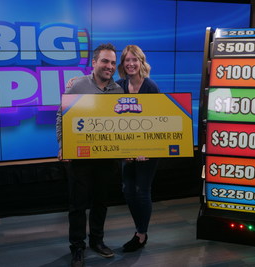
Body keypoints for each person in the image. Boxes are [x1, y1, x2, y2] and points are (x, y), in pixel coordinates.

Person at [56, 43, 124, 267]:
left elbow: (122, 125)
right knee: (78, 204)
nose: (110, 66)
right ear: (94, 62)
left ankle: (97, 240)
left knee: (101, 202)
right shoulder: (77, 85)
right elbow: (61, 117)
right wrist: (63, 144)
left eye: (113, 63)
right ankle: (77, 247)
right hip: (80, 156)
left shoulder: (118, 91)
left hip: (107, 157)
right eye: (105, 61)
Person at [116, 45, 160, 252]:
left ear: (141, 62)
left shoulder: (150, 87)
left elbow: (159, 120)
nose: (131, 64)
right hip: (125, 151)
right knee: (128, 191)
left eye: (135, 60)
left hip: (147, 150)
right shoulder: (118, 86)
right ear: (123, 64)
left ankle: (141, 234)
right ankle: (138, 230)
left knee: (142, 191)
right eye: (127, 60)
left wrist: (147, 150)